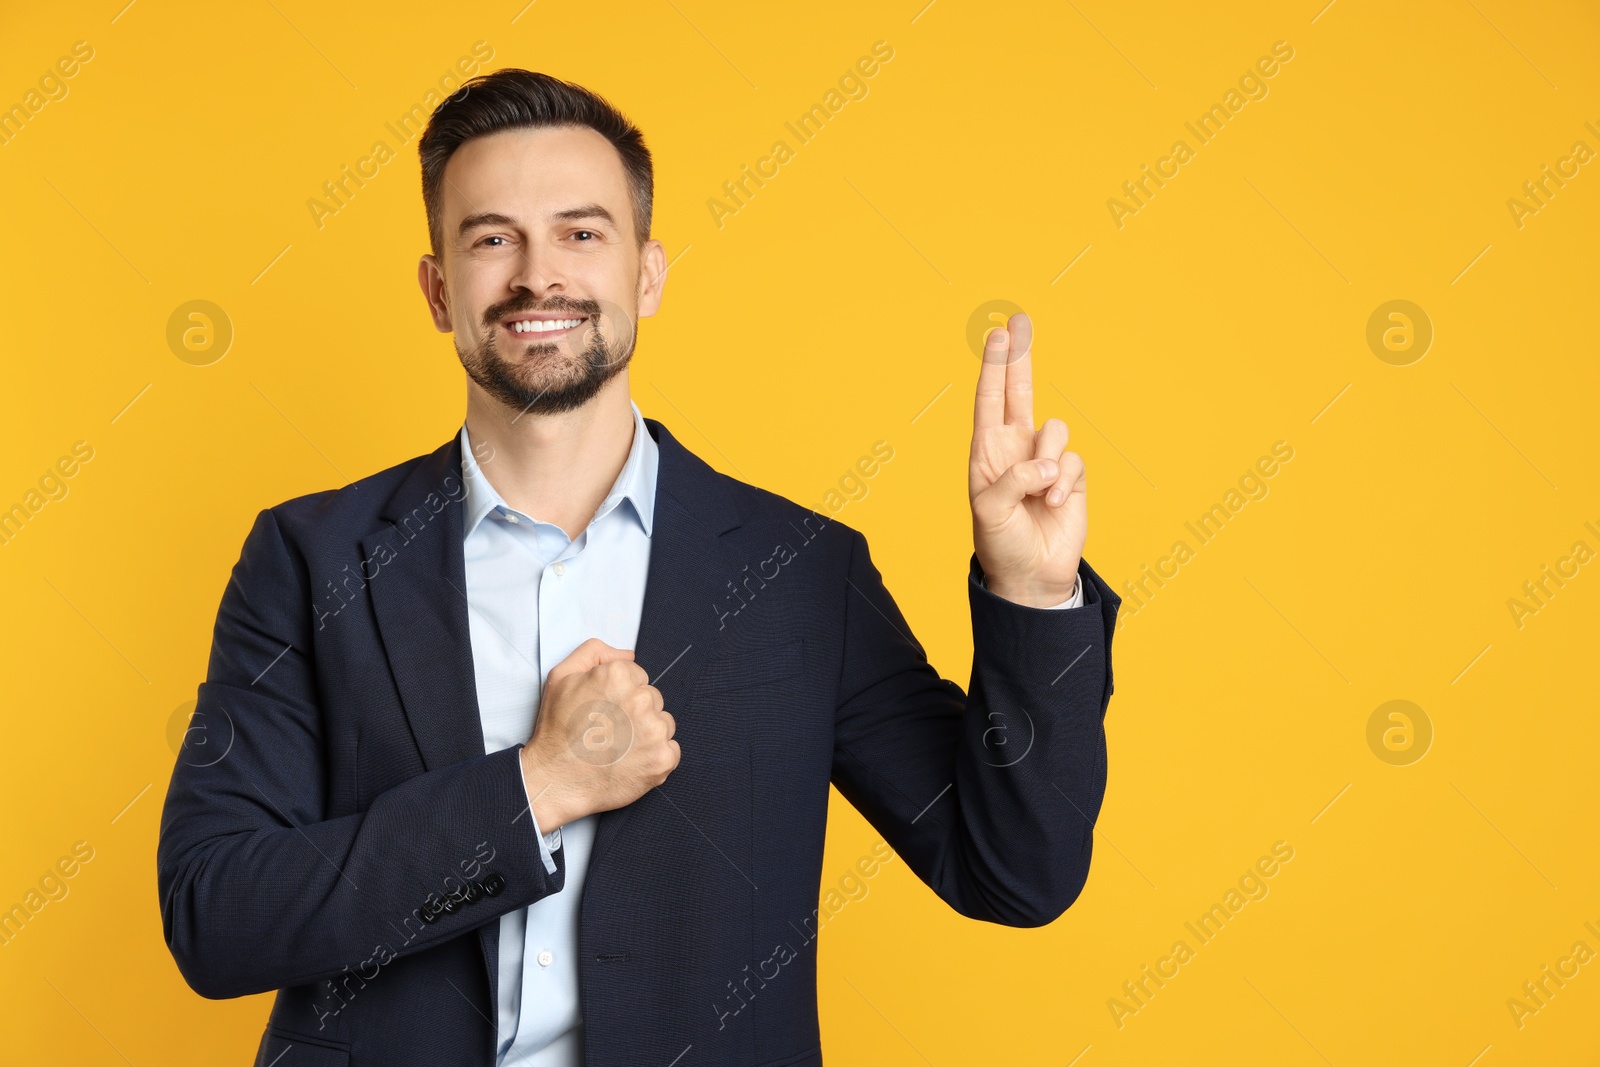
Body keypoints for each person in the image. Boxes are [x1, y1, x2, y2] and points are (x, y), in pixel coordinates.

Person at [156, 68, 1120, 1067]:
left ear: (647, 273)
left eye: (581, 232)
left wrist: (1033, 593)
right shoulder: (311, 556)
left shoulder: (800, 570)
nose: (538, 276)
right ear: (439, 290)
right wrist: (539, 786)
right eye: (492, 238)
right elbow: (215, 910)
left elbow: (1014, 872)